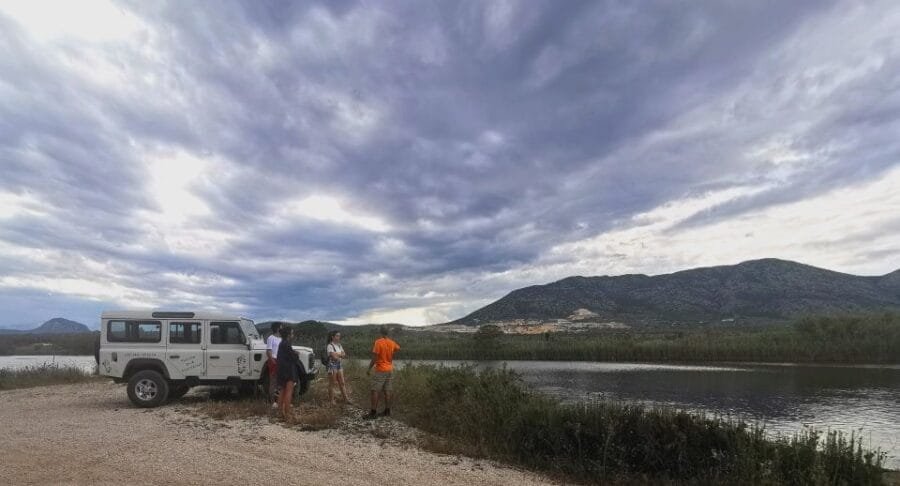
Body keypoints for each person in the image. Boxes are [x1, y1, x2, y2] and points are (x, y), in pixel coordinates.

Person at [366, 325, 400, 419]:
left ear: (380, 332)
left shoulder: (378, 342)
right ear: (387, 333)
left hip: (381, 369)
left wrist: (369, 368)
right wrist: (390, 352)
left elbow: (374, 358)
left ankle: (373, 412)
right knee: (387, 390)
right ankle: (387, 411)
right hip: (389, 369)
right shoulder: (392, 342)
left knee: (375, 390)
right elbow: (398, 348)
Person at [276, 326, 300, 421]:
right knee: (289, 391)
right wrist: (296, 354)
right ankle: (287, 414)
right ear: (288, 335)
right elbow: (293, 357)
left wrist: (293, 352)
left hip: (282, 370)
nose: (293, 335)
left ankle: (280, 412)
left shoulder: (282, 343)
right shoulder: (287, 344)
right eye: (292, 333)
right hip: (289, 370)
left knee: (282, 391)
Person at [326, 331, 351, 405]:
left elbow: (344, 354)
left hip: (339, 365)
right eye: (337, 336)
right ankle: (332, 401)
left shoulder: (339, 345)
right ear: (332, 337)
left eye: (339, 336)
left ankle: (346, 399)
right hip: (332, 366)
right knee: (332, 384)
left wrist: (337, 354)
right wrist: (339, 354)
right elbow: (334, 357)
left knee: (342, 383)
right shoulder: (330, 346)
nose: (338, 337)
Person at [265, 322, 282, 406]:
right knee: (273, 381)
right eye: (281, 327)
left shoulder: (281, 338)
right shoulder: (271, 338)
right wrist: (273, 361)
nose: (282, 328)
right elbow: (268, 351)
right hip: (274, 360)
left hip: (280, 361)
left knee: (279, 382)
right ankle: (272, 401)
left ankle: (278, 400)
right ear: (278, 328)